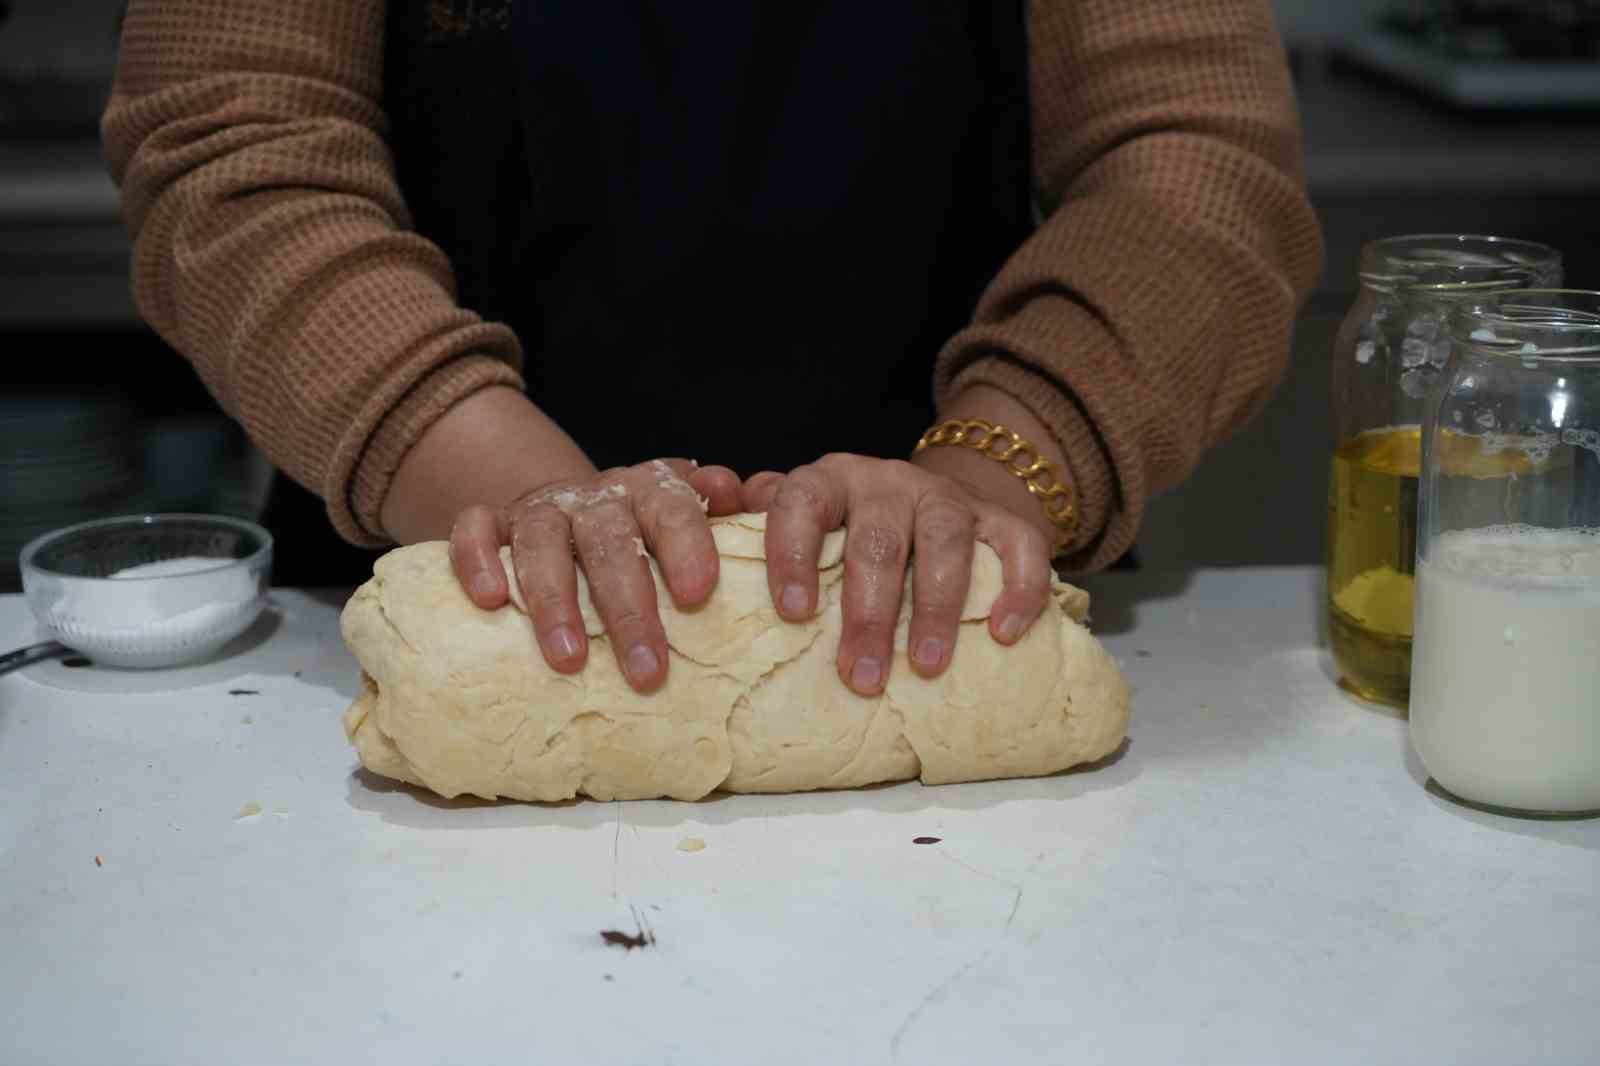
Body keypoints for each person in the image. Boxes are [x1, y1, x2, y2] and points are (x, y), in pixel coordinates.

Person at [102, 0, 1322, 698]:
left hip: (952, 570)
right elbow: (232, 140)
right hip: (444, 539)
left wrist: (992, 474)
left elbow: (1191, 166)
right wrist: (515, 490)